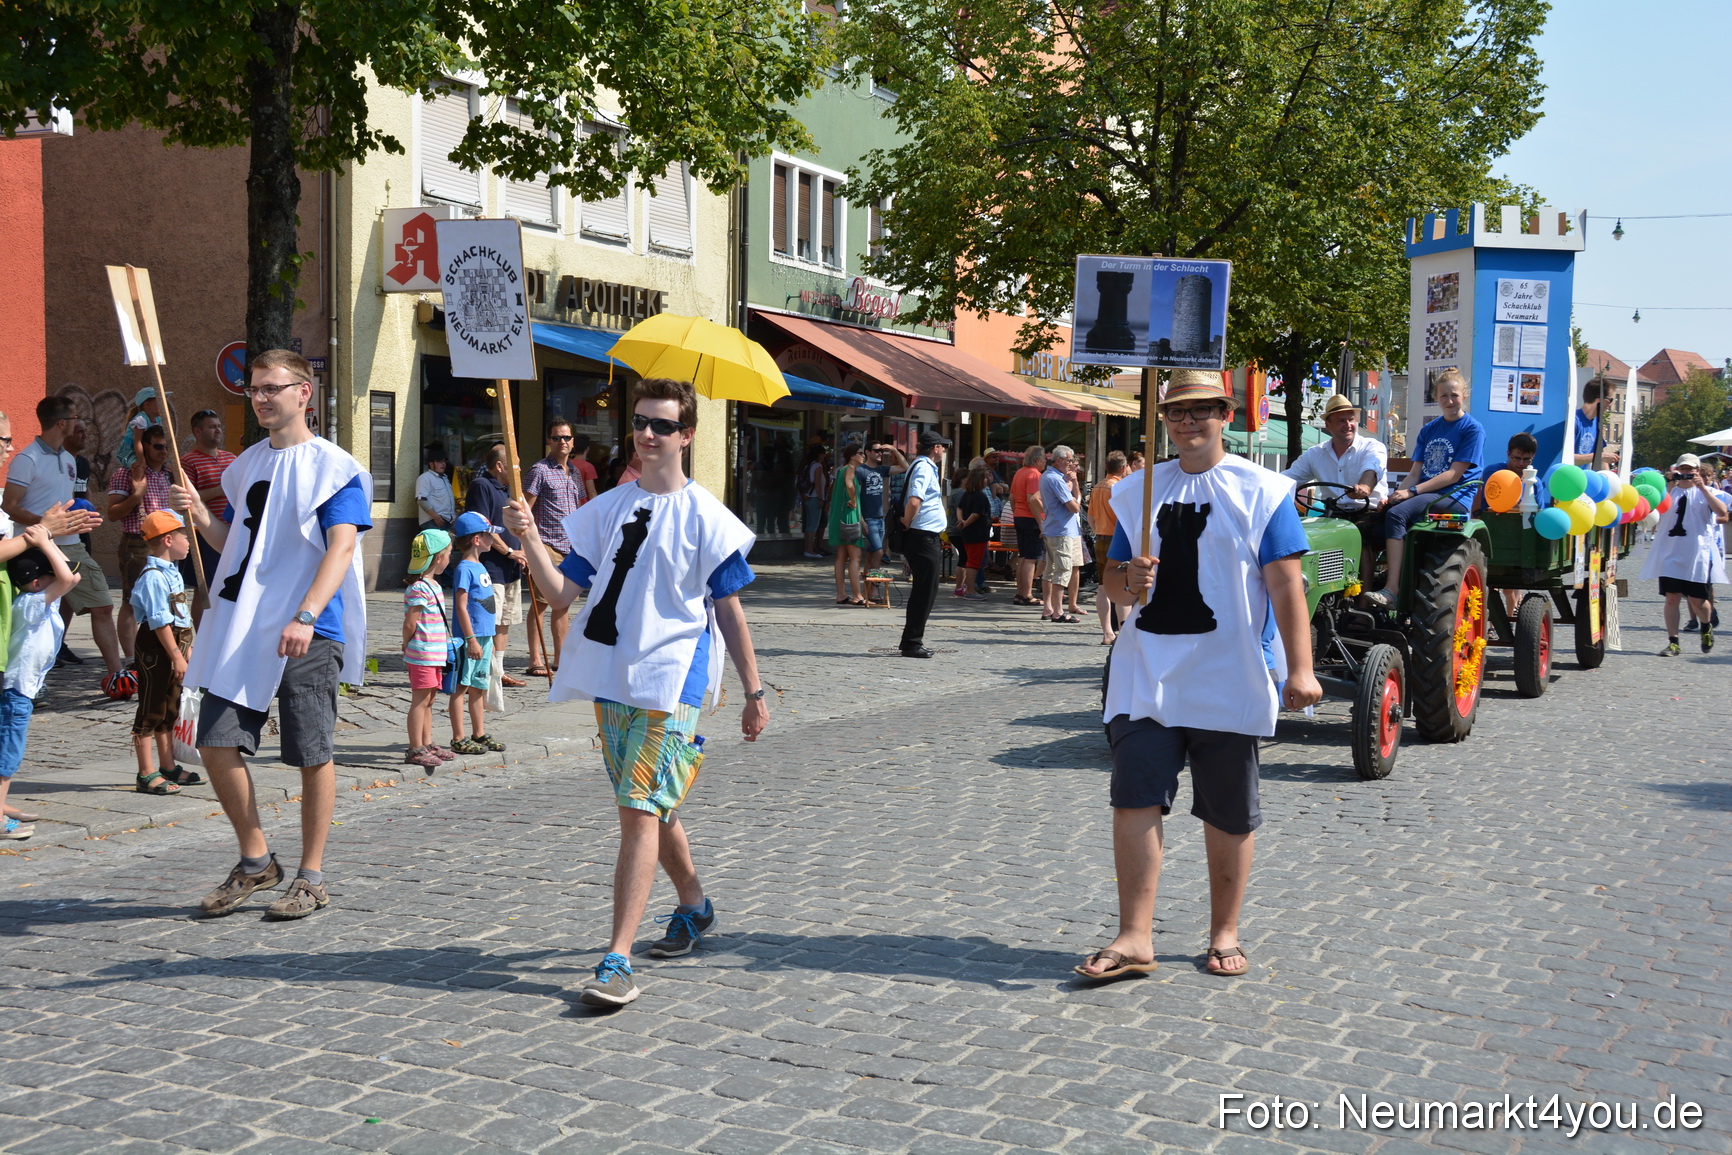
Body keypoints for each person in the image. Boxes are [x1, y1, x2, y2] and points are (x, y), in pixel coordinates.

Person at [502, 377, 768, 1008]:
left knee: (637, 810)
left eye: (663, 425)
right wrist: (532, 539)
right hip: (612, 676)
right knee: (651, 806)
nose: (648, 434)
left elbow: (728, 611)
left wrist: (754, 691)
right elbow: (562, 595)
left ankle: (617, 959)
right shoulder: (606, 511)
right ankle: (695, 905)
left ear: (687, 435)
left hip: (672, 678)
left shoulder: (709, 518)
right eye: (641, 423)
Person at [1081, 369, 1320, 982]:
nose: (1188, 422)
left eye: (1201, 411)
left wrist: (1301, 669)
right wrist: (1123, 583)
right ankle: (1134, 936)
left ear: (1225, 415)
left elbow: (1286, 584)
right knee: (1134, 798)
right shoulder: (1137, 490)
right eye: (1176, 413)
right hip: (1146, 673)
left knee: (1228, 810)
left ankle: (1224, 930)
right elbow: (1112, 584)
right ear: (1163, 420)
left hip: (1228, 672)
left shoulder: (1265, 491)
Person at [170, 348, 372, 921]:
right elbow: (235, 546)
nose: (260, 398)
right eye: (254, 389)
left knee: (311, 751)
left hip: (310, 626)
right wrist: (199, 515)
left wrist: (306, 614)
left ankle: (311, 875)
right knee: (213, 738)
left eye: (271, 388)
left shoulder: (334, 468)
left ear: (303, 393)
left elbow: (342, 547)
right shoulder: (245, 467)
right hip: (245, 623)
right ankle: (257, 861)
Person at [3, 397, 123, 688]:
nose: (79, 423)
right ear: (61, 423)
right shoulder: (26, 459)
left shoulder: (70, 460)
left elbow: (62, 505)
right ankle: (31, 679)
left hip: (71, 544)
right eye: (74, 418)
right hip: (36, 547)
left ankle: (118, 672)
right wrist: (44, 528)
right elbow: (9, 505)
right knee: (41, 614)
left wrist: (77, 521)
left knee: (102, 605)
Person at [1360, 369, 1484, 608]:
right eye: (1444, 395)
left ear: (1464, 395)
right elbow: (1415, 474)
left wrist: (1412, 493)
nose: (1449, 401)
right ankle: (1364, 596)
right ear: (1436, 398)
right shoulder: (1429, 430)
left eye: (1454, 395)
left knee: (1398, 514)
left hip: (1454, 494)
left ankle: (1393, 590)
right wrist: (1392, 496)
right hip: (1427, 493)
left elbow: (1453, 474)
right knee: (1371, 523)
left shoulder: (1471, 429)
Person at [0, 529, 83, 841]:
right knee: (8, 754)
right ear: (36, 582)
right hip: (16, 691)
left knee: (8, 751)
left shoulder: (38, 599)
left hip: (21, 689)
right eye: (50, 576)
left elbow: (69, 575)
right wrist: (45, 543)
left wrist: (48, 545)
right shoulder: (30, 603)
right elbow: (70, 579)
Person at [128, 510, 203, 796]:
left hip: (176, 646)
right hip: (157, 649)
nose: (189, 542)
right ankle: (146, 772)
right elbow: (160, 622)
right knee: (152, 707)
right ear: (169, 540)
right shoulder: (152, 577)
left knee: (170, 707)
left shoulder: (171, 571)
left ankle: (167, 765)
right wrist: (175, 655)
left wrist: (188, 647)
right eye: (187, 536)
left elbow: (180, 615)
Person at [1642, 453, 1727, 656]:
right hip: (1670, 552)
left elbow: (1722, 511)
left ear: (1698, 471)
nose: (1687, 473)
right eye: (1683, 469)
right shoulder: (1669, 492)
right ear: (1677, 470)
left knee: (1698, 600)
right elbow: (1655, 512)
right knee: (1671, 598)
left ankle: (1705, 625)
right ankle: (1673, 642)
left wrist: (1703, 488)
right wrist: (1670, 485)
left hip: (1696, 553)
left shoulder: (1706, 492)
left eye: (1691, 469)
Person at [108, 424, 177, 663]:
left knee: (164, 598)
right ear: (144, 447)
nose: (164, 451)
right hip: (137, 542)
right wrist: (137, 495)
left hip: (166, 543)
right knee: (132, 600)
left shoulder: (168, 474)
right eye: (158, 446)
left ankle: (159, 651)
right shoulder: (126, 474)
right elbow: (113, 513)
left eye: (167, 446)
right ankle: (129, 658)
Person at [525, 421, 586, 675]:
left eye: (567, 437)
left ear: (573, 442)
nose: (563, 442)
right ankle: (535, 659)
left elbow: (579, 507)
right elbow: (525, 508)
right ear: (549, 441)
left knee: (562, 604)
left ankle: (561, 659)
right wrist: (527, 545)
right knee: (540, 603)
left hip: (570, 546)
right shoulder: (539, 470)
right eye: (557, 438)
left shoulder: (575, 472)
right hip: (546, 544)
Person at [465, 445, 527, 687]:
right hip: (492, 567)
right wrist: (510, 551)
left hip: (511, 567)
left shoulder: (508, 490)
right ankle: (483, 671)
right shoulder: (482, 485)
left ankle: (497, 671)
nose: (519, 469)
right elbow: (483, 525)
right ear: (500, 466)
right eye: (515, 464)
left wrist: (523, 553)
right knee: (489, 619)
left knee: (505, 620)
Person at [1473, 432, 1545, 622]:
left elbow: (1539, 512)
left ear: (1533, 458)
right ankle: (1491, 620)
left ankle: (1509, 616)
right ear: (1508, 454)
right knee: (1491, 584)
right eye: (1517, 458)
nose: (1521, 464)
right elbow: (1489, 502)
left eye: (1526, 459)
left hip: (1520, 535)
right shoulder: (1494, 472)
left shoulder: (1535, 481)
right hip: (1495, 530)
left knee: (1509, 587)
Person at [447, 512, 503, 755]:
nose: (494, 539)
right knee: (461, 686)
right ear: (477, 539)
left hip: (485, 636)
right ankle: (458, 737)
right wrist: (470, 639)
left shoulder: (480, 565)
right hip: (469, 639)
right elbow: (461, 606)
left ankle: (478, 733)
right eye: (490, 535)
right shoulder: (464, 569)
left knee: (479, 686)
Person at [1280, 394, 1388, 517]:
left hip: (1369, 513)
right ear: (1328, 425)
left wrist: (1364, 487)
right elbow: (1287, 479)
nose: (1348, 425)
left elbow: (1372, 469)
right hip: (1332, 515)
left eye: (1351, 419)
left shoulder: (1373, 446)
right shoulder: (1315, 453)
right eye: (1341, 421)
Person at [402, 528, 457, 769]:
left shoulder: (433, 585)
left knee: (430, 699)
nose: (449, 558)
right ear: (438, 558)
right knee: (420, 701)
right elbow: (410, 622)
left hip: (434, 652)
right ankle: (415, 748)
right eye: (448, 554)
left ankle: (427, 743)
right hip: (423, 653)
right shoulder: (419, 588)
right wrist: (407, 644)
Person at [898, 430, 950, 658]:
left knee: (926, 590)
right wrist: (907, 522)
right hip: (922, 535)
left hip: (925, 535)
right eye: (943, 447)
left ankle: (912, 640)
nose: (944, 451)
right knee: (923, 591)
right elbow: (914, 499)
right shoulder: (923, 467)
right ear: (935, 448)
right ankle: (911, 643)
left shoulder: (922, 466)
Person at [181, 409, 235, 622]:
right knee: (207, 588)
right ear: (197, 431)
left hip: (232, 530)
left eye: (219, 426)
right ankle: (202, 635)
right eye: (212, 427)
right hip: (203, 534)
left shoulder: (232, 458)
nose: (218, 430)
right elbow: (189, 498)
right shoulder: (188, 461)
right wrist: (221, 489)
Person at [1040, 445, 1085, 622]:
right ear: (1058, 460)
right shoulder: (1055, 479)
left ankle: (1048, 608)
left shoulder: (1047, 476)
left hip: (1054, 529)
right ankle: (1058, 612)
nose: (1071, 464)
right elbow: (1074, 507)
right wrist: (1075, 488)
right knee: (1063, 570)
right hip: (1062, 531)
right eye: (1068, 460)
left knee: (1050, 570)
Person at [1089, 451, 1130, 645]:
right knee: (1122, 584)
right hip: (1117, 539)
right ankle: (1124, 631)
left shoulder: (1097, 487)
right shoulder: (1119, 488)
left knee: (1103, 587)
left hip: (1101, 537)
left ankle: (1106, 632)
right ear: (1123, 468)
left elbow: (1090, 517)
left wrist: (1097, 529)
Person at [828, 442, 866, 606]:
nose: (862, 455)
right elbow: (850, 485)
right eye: (860, 453)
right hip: (849, 516)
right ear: (852, 456)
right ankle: (857, 595)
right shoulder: (850, 469)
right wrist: (853, 500)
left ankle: (841, 594)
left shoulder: (842, 470)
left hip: (838, 516)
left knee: (841, 556)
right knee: (855, 557)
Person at [1010, 446, 1047, 606]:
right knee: (1032, 558)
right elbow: (1032, 498)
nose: (1045, 462)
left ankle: (1020, 592)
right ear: (1038, 460)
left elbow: (1012, 497)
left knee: (1023, 556)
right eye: (1044, 459)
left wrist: (1016, 512)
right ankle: (1027, 594)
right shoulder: (1034, 475)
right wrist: (1041, 522)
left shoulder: (1019, 472)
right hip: (1031, 518)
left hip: (1020, 516)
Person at [858, 443, 894, 593]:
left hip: (880, 517)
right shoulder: (861, 471)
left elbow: (904, 467)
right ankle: (874, 589)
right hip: (869, 518)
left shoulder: (881, 470)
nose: (880, 453)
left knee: (872, 554)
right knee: (879, 552)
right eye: (877, 451)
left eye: (882, 451)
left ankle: (867, 589)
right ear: (868, 452)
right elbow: (855, 497)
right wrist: (861, 520)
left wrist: (892, 450)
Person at [953, 466, 993, 601]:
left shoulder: (967, 494)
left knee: (971, 560)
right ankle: (970, 590)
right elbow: (976, 514)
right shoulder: (980, 496)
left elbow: (959, 508)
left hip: (968, 533)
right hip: (977, 533)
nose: (987, 480)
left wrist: (961, 520)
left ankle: (969, 588)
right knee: (974, 562)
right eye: (985, 478)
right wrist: (965, 522)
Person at [1573, 381, 1618, 469]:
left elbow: (1602, 459)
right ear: (1599, 401)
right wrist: (1599, 456)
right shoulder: (1573, 421)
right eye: (1610, 400)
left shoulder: (1598, 423)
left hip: (1582, 480)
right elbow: (1565, 457)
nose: (1610, 405)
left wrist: (1608, 479)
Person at [114, 387, 162, 468]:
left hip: (143, 451)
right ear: (147, 405)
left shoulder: (158, 420)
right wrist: (141, 460)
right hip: (129, 451)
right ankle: (137, 480)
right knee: (139, 467)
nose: (164, 406)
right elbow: (137, 442)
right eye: (160, 402)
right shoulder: (141, 420)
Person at [415, 445, 457, 532]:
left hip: (447, 521)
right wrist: (435, 517)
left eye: (444, 461)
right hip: (432, 522)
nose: (443, 464)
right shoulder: (425, 478)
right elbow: (421, 500)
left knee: (449, 545)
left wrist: (454, 517)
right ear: (431, 464)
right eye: (439, 462)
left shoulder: (445, 478)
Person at [798, 444, 829, 559]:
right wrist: (821, 498)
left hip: (807, 496)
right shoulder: (818, 466)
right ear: (820, 454)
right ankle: (809, 550)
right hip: (814, 497)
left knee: (809, 524)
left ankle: (808, 549)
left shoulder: (808, 465)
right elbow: (817, 484)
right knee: (813, 525)